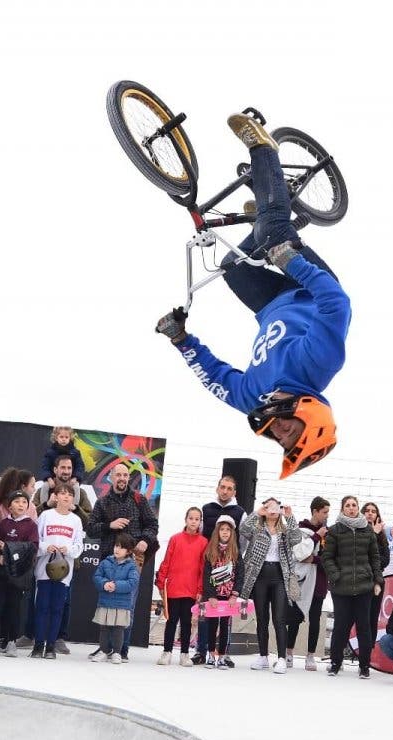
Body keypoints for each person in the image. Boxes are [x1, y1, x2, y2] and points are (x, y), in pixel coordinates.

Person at [155, 115, 347, 480]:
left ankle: (269, 210)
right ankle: (263, 148)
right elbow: (337, 303)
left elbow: (216, 379)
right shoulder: (319, 365)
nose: (277, 432)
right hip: (312, 287)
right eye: (290, 432)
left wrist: (181, 340)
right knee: (274, 233)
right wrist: (293, 263)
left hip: (272, 303)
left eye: (279, 441)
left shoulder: (254, 397)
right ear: (311, 415)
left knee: (232, 266)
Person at [85, 462, 159, 659]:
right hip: (108, 561)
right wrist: (110, 525)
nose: (122, 479)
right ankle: (105, 648)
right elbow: (91, 528)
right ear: (111, 477)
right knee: (106, 605)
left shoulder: (139, 500)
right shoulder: (102, 502)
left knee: (127, 606)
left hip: (133, 561)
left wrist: (145, 540)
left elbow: (152, 524)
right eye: (118, 475)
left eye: (125, 475)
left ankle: (121, 650)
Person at [320, 495, 382, 678]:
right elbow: (327, 557)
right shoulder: (335, 530)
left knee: (364, 627)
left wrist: (377, 580)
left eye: (354, 505)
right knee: (340, 627)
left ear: (358, 508)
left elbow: (375, 558)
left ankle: (364, 666)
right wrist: (335, 575)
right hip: (341, 588)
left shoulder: (367, 530)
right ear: (342, 509)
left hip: (364, 587)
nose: (351, 508)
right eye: (348, 505)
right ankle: (335, 663)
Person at [238, 498, 302, 674]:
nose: (272, 510)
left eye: (275, 507)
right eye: (268, 507)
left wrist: (290, 517)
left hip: (280, 577)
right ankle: (263, 656)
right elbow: (243, 529)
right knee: (262, 618)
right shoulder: (257, 528)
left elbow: (296, 538)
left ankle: (281, 658)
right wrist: (257, 513)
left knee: (279, 619)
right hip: (260, 576)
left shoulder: (284, 531)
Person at [194, 474, 247, 664]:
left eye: (229, 488)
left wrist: (231, 557)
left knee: (226, 619)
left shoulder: (240, 512)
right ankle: (202, 651)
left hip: (229, 572)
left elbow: (243, 539)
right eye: (222, 487)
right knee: (205, 614)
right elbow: (199, 534)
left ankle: (224, 654)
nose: (225, 491)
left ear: (234, 492)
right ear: (217, 488)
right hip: (208, 567)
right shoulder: (206, 508)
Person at [31, 483, 85, 659]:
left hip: (63, 572)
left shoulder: (76, 520)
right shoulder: (46, 516)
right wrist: (47, 547)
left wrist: (67, 549)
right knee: (42, 608)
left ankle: (51, 646)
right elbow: (36, 541)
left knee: (57, 609)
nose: (66, 497)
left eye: (70, 494)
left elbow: (78, 547)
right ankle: (38, 645)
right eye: (62, 493)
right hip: (44, 570)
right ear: (55, 497)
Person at [155, 507, 207, 666]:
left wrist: (200, 589)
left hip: (190, 590)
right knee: (171, 622)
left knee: (186, 622)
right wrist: (161, 581)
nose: (193, 521)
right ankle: (166, 652)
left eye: (197, 519)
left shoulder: (203, 542)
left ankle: (184, 654)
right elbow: (167, 561)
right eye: (191, 518)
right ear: (186, 519)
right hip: (173, 588)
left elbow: (202, 568)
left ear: (200, 522)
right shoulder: (175, 539)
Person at [0, 491, 38, 656]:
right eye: (17, 501)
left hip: (18, 574)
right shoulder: (2, 525)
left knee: (14, 608)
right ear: (10, 506)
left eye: (24, 502)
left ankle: (11, 642)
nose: (21, 504)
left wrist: (8, 548)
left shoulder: (31, 526)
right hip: (0, 572)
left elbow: (32, 547)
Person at [286, 496, 330, 671]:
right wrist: (316, 540)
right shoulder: (301, 529)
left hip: (319, 580)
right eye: (324, 512)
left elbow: (328, 558)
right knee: (295, 617)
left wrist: (314, 559)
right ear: (315, 511)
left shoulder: (329, 532)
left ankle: (310, 656)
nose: (327, 515)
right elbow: (298, 554)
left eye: (328, 512)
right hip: (301, 580)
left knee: (315, 619)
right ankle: (288, 653)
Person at [91, 532, 140, 665]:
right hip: (105, 601)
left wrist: (116, 586)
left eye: (121, 547)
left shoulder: (131, 566)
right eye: (116, 546)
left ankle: (117, 653)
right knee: (104, 628)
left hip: (121, 604)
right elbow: (97, 577)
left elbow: (132, 582)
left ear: (129, 551)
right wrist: (104, 584)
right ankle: (103, 651)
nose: (117, 549)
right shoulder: (106, 561)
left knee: (119, 629)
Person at [201, 516, 243, 669]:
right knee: (212, 625)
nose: (225, 533)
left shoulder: (236, 553)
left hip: (229, 597)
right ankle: (211, 655)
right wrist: (210, 595)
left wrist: (235, 594)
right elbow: (206, 575)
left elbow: (240, 575)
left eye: (228, 530)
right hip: (214, 596)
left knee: (225, 625)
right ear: (217, 532)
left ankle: (223, 657)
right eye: (222, 530)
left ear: (232, 533)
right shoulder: (210, 552)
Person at [363, 501, 390, 660]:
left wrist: (374, 563)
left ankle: (367, 655)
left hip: (376, 582)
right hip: (359, 580)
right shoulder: (357, 531)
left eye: (373, 511)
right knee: (356, 618)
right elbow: (360, 555)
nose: (370, 513)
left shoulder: (381, 536)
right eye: (367, 510)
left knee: (372, 618)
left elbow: (385, 560)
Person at [33, 454, 93, 525]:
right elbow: (31, 517)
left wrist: (75, 509)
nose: (66, 471)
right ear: (55, 470)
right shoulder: (42, 491)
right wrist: (46, 505)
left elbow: (90, 522)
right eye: (63, 468)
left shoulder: (80, 493)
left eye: (69, 468)